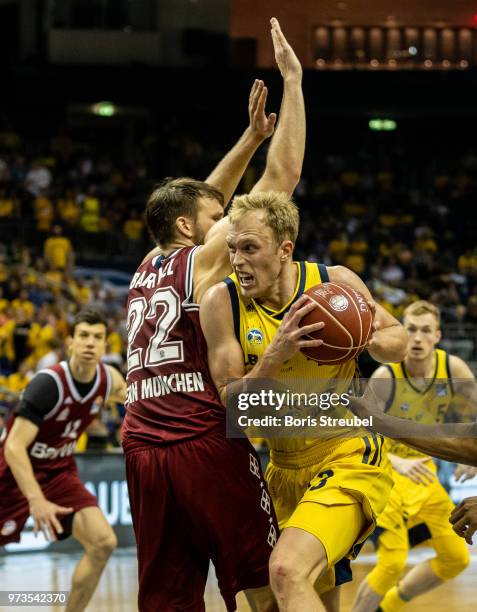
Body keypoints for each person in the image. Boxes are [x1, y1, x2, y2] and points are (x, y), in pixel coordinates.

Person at [123, 18, 305, 612]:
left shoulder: (146, 267)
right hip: (198, 436)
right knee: (263, 586)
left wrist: (249, 137)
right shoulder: (201, 263)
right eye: (216, 218)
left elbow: (196, 199)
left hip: (141, 444)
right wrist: (294, 82)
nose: (226, 221)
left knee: (169, 597)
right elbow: (279, 184)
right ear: (190, 230)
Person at [199, 191, 408, 612]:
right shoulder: (221, 302)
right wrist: (273, 357)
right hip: (282, 467)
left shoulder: (334, 283)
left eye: (250, 248)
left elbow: (397, 340)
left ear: (284, 250)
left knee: (286, 572)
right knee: (273, 602)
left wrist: (364, 336)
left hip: (348, 454)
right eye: (232, 248)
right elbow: (233, 404)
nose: (237, 260)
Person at [0, 308, 127, 612]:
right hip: (14, 472)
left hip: (59, 472)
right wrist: (36, 500)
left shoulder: (109, 380)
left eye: (97, 337)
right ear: (70, 342)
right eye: (83, 336)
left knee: (102, 543)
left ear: (105, 347)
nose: (89, 343)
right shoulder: (49, 384)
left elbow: (142, 403)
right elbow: (14, 447)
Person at [351, 301, 473, 612]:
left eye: (425, 331)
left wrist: (468, 457)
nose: (417, 338)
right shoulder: (385, 377)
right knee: (391, 563)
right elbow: (356, 433)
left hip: (426, 478)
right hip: (388, 478)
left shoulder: (453, 369)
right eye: (411, 330)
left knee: (456, 557)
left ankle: (387, 606)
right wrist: (396, 461)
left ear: (437, 336)